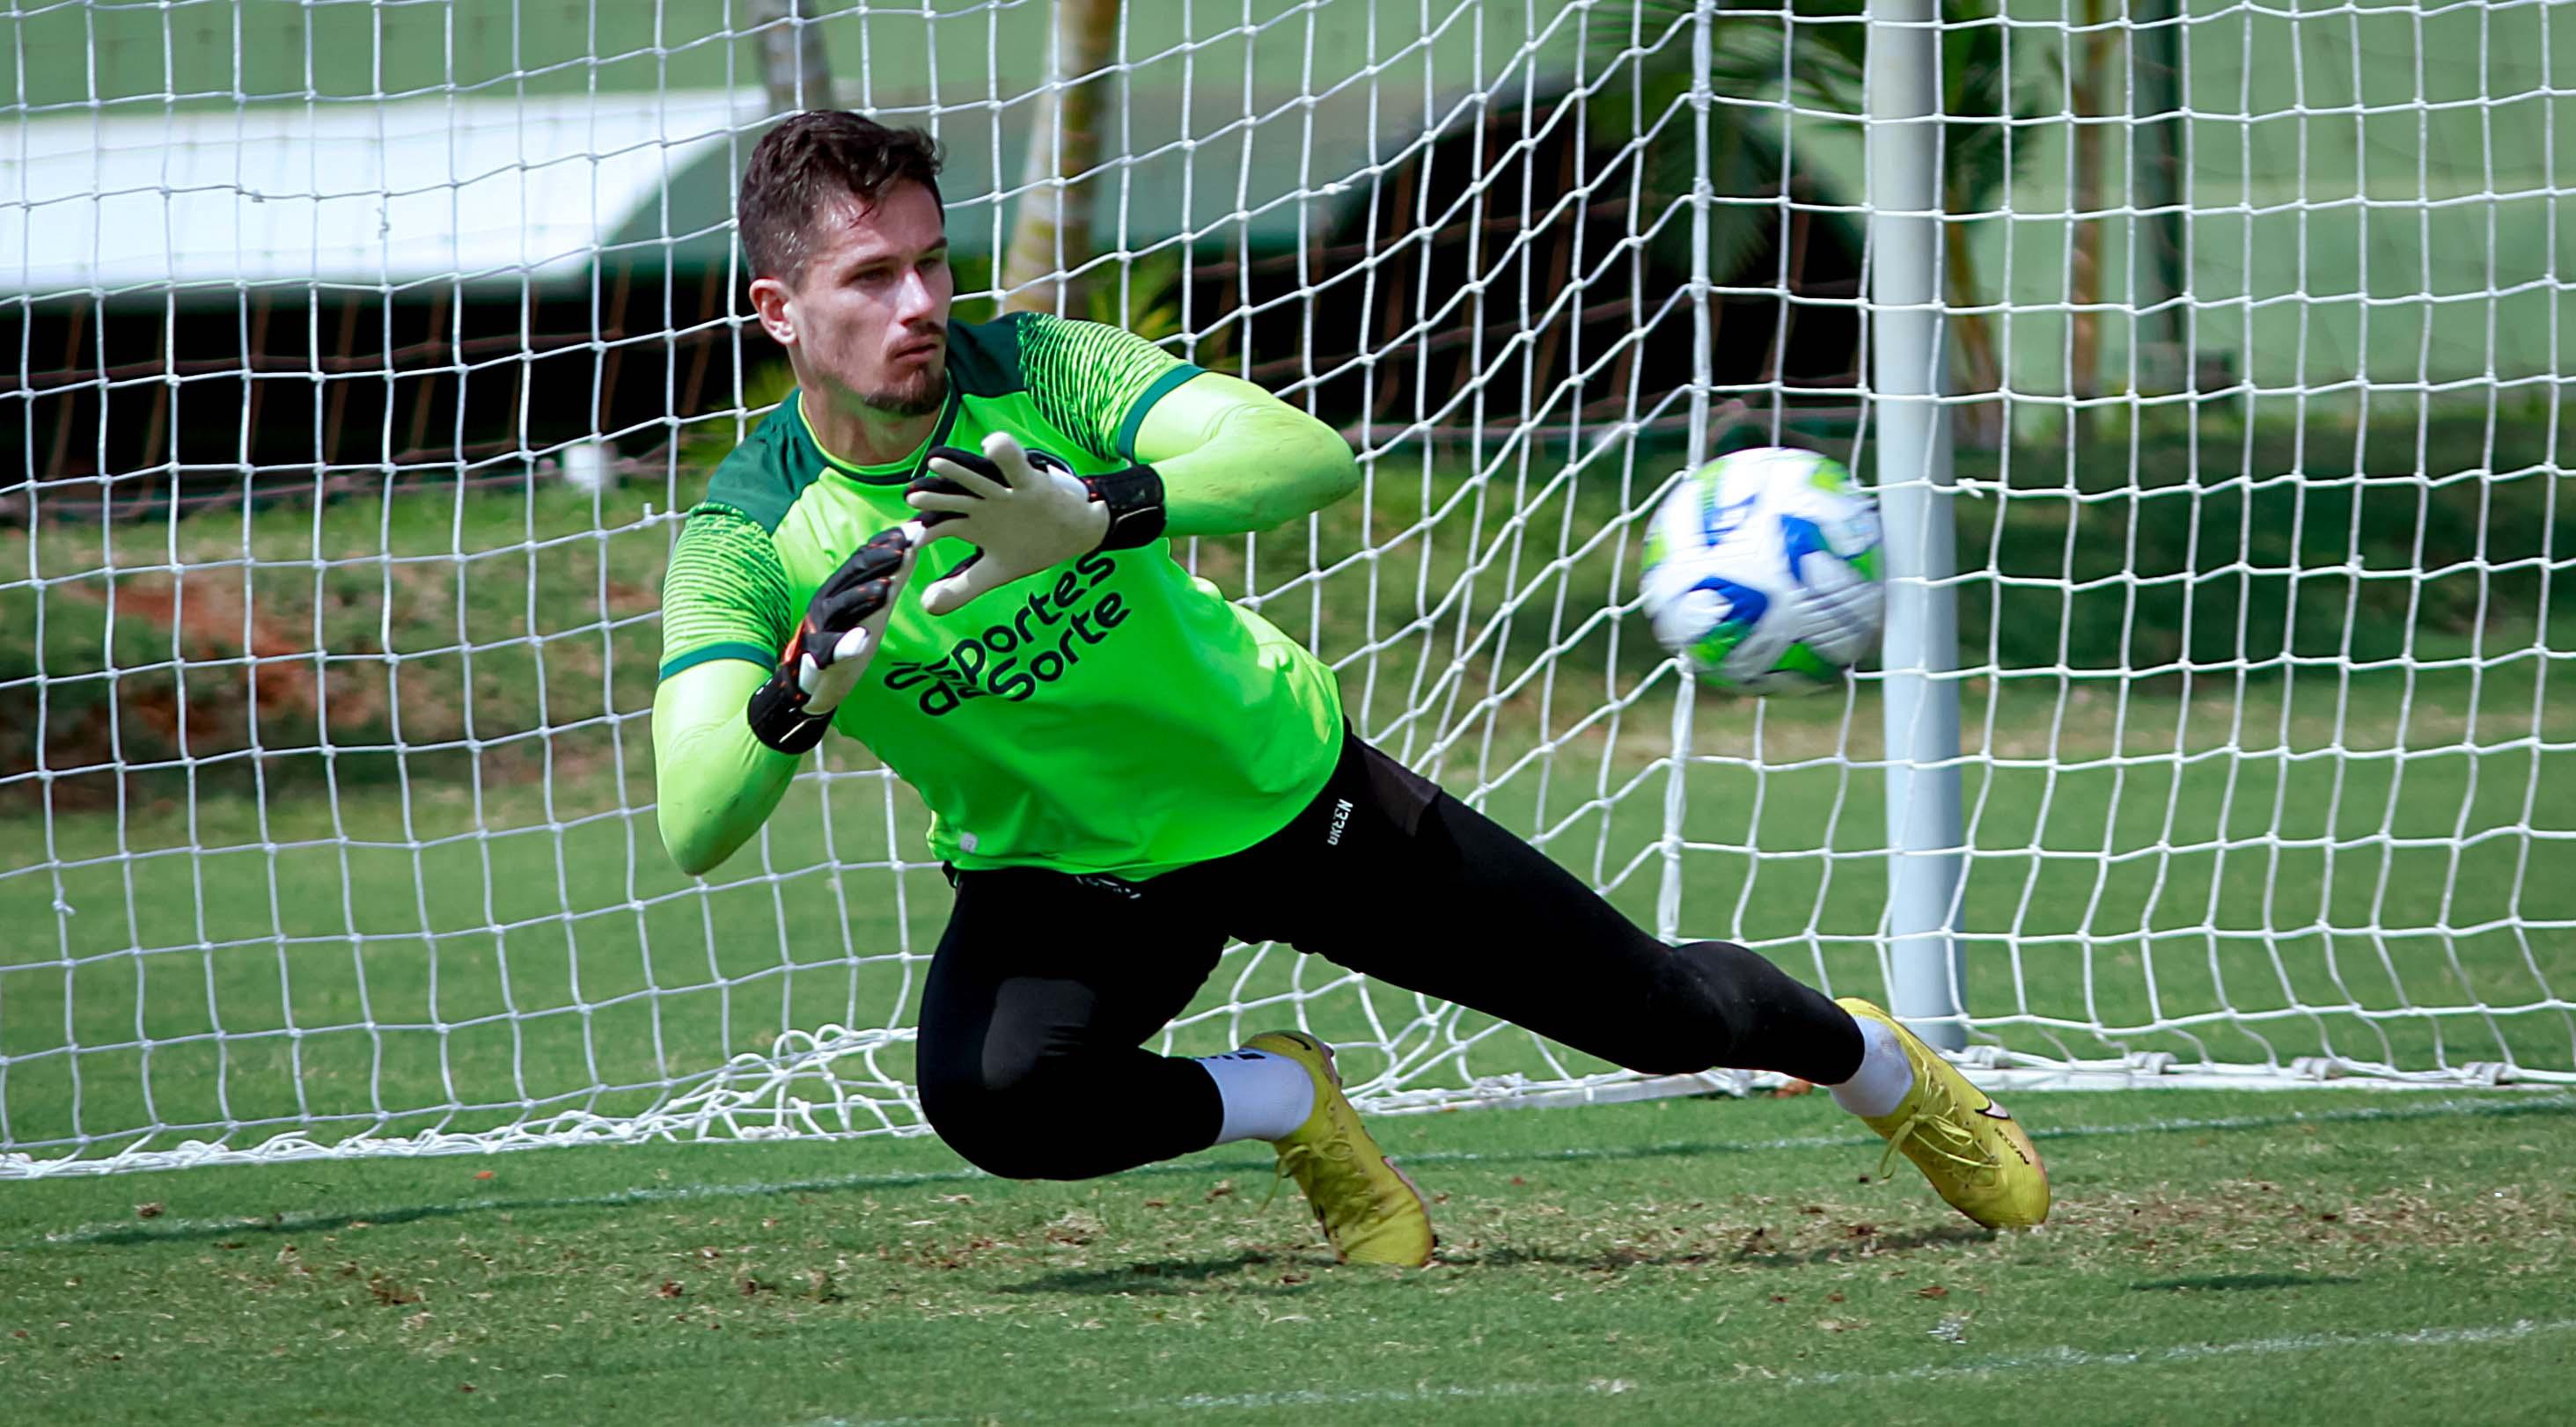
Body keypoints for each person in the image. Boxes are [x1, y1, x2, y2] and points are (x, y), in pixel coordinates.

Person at [651, 112, 2048, 1268]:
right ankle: (1286, 1100)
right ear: (777, 309)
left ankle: (1879, 1067)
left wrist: (1097, 512)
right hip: (1066, 873)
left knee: (1671, 1019)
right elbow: (695, 817)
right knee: (996, 1101)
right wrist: (796, 701)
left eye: (929, 264)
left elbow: (1303, 455)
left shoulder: (1039, 368)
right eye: (871, 280)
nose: (920, 305)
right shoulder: (746, 536)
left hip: (1290, 794)